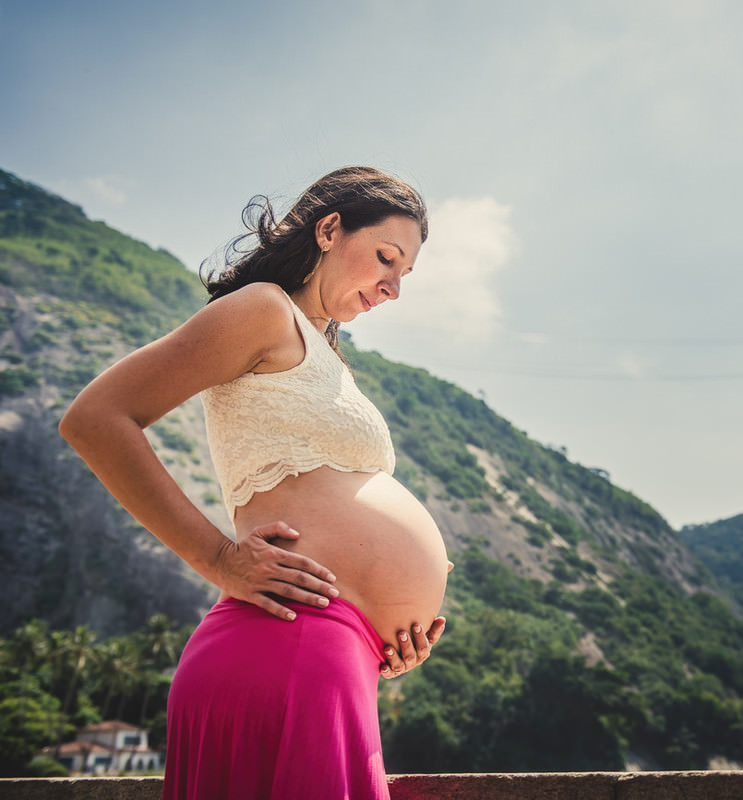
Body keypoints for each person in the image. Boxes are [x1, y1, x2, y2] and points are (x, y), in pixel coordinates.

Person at [58, 166, 453, 799]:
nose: (393, 288)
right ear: (329, 229)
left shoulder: (325, 355)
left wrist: (390, 631)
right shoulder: (265, 311)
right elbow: (96, 418)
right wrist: (218, 557)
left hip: (334, 657)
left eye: (404, 275)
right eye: (386, 258)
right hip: (285, 648)